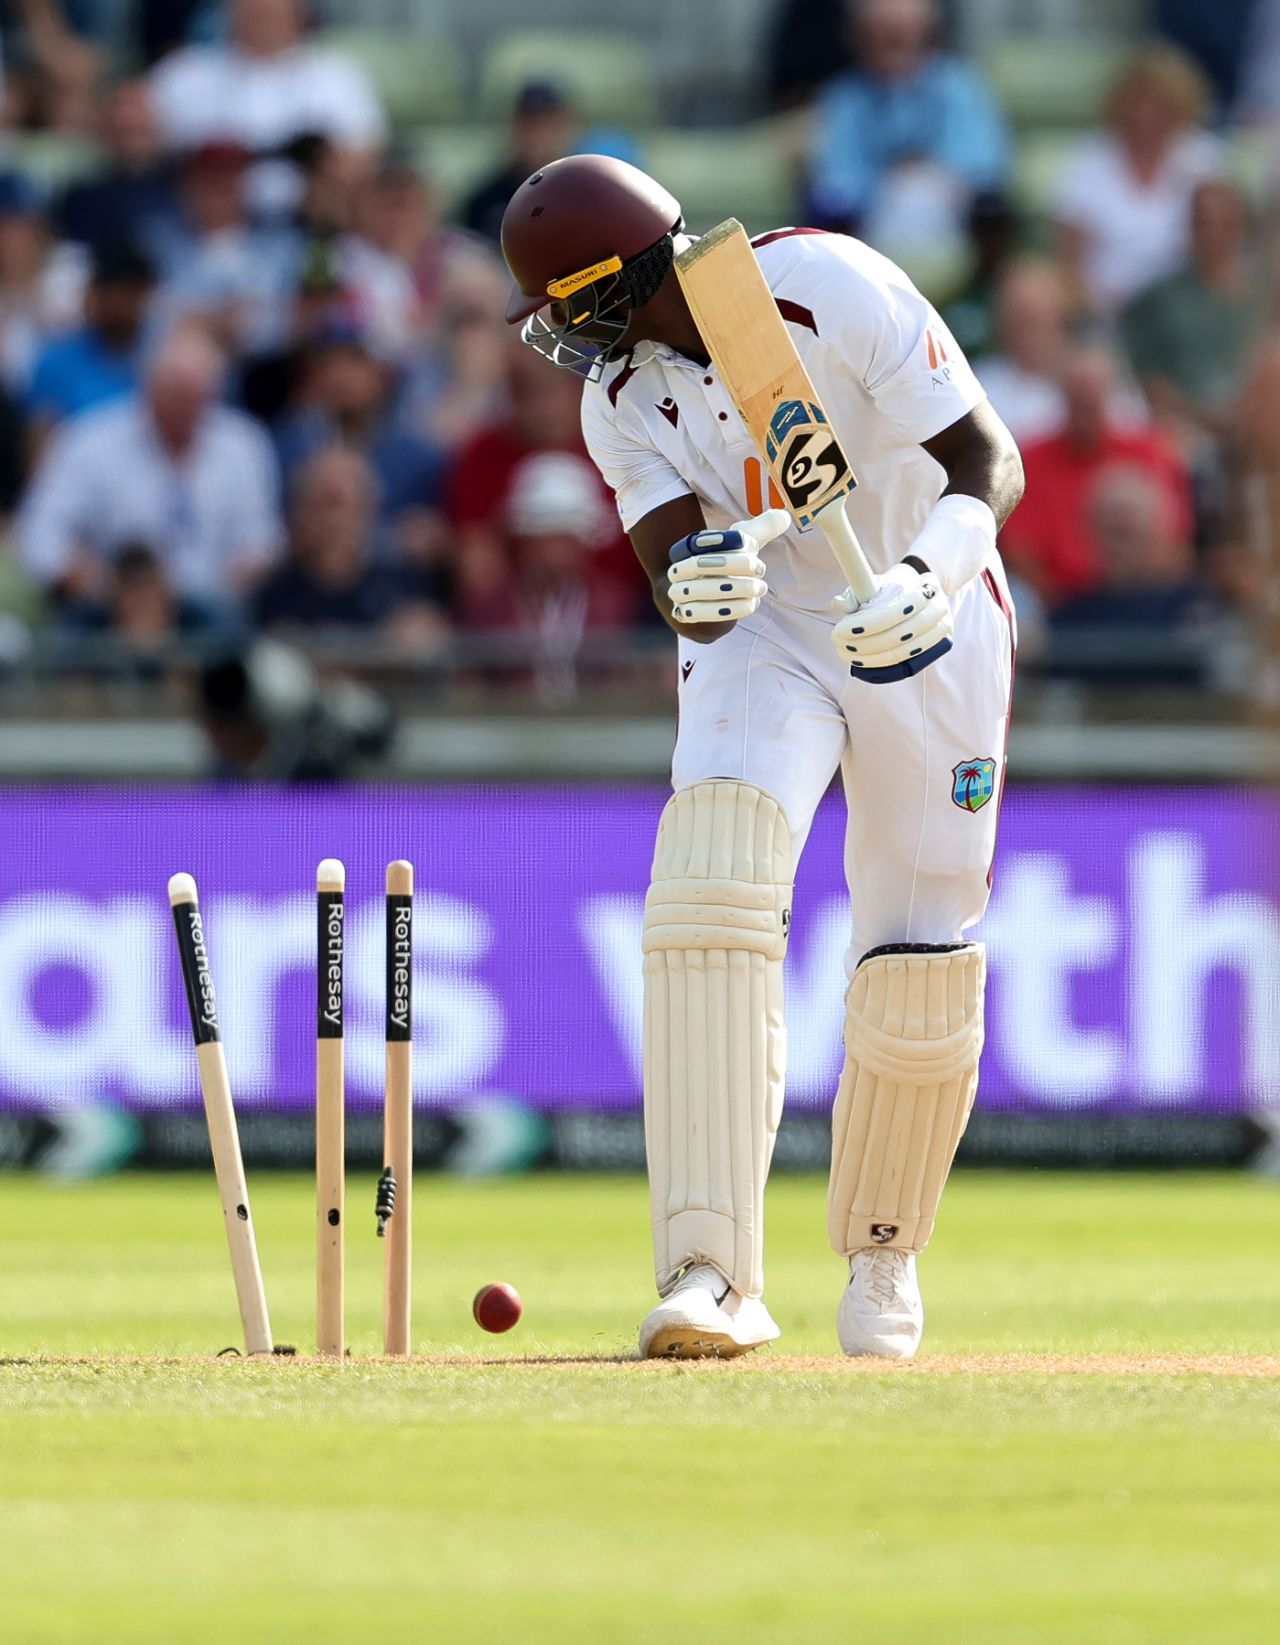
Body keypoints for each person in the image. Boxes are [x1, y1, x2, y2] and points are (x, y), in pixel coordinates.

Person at [502, 155, 1023, 1360]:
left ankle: (883, 1254)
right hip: (769, 640)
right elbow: (678, 582)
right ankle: (709, 1270)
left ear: (611, 280)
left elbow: (987, 459)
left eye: (566, 305)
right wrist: (702, 580)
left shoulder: (826, 286)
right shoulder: (619, 401)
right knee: (708, 883)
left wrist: (926, 573)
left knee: (918, 943)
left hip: (923, 613)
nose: (565, 338)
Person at [19, 325, 283, 615]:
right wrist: (94, 582)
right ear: (149, 386)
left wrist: (226, 581)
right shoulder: (89, 441)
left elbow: (264, 539)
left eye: (199, 397)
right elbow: (39, 533)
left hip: (213, 613)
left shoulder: (243, 445)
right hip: (111, 612)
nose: (188, 409)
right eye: (177, 395)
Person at [807, 0, 1009, 256]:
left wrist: (924, 174)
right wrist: (890, 180)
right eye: (882, 30)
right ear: (860, 35)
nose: (893, 38)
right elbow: (836, 181)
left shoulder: (959, 85)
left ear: (927, 31)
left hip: (952, 219)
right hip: (871, 229)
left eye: (903, 30)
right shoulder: (844, 96)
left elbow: (983, 167)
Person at [1001, 344, 1191, 606]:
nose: (1085, 412)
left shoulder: (1151, 453)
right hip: (1063, 608)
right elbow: (1019, 552)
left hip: (1148, 599)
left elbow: (1175, 544)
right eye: (1077, 401)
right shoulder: (1028, 463)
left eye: (1092, 401)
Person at [1053, 44, 1222, 315]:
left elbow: (1220, 251)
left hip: (1184, 313)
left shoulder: (1203, 161)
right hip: (1103, 313)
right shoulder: (1089, 160)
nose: (1145, 115)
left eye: (1158, 105)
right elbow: (1069, 263)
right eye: (1137, 103)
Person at [147, 0, 386, 163]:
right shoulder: (181, 74)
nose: (262, 8)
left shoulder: (338, 75)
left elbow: (364, 152)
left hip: (310, 223)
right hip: (195, 226)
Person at [255, 446, 447, 643]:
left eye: (336, 503)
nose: (328, 518)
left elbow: (430, 640)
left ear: (369, 509)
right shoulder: (277, 592)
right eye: (314, 503)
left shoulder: (402, 584)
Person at [1119, 179, 1262, 443]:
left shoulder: (1261, 301)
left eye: (1225, 223)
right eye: (1204, 223)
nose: (1213, 234)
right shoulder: (1159, 299)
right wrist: (1203, 416)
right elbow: (1145, 378)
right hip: (1182, 433)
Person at [25, 241, 156, 440]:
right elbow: (39, 446)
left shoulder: (162, 361)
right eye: (110, 292)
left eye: (130, 294)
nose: (121, 304)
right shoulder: (55, 363)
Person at [55, 80, 180, 258]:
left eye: (138, 131)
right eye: (123, 131)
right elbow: (76, 259)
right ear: (104, 132)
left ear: (157, 128)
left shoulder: (184, 187)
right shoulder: (82, 196)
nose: (132, 143)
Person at [460, 82, 576, 246]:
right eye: (530, 124)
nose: (538, 135)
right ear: (513, 126)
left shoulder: (584, 192)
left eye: (547, 124)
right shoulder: (484, 202)